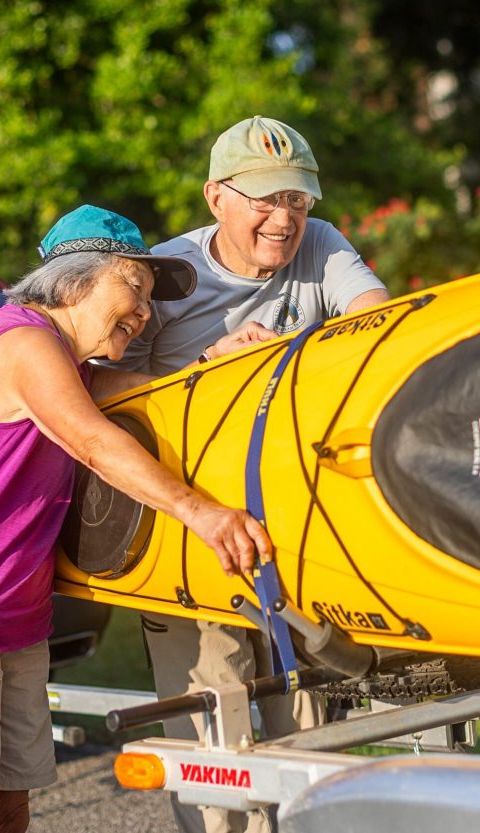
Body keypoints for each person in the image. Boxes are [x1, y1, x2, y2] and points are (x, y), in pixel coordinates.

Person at [0, 204, 275, 833]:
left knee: (11, 809)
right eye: (134, 289)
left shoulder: (71, 364)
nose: (145, 312)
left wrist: (213, 361)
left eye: (149, 299)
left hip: (9, 611)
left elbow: (150, 390)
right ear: (74, 280)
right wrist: (204, 514)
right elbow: (96, 443)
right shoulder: (23, 343)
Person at [112, 115, 390, 833]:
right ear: (216, 198)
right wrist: (208, 374)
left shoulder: (321, 244)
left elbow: (377, 326)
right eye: (264, 199)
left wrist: (290, 356)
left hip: (295, 526)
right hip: (190, 531)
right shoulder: (165, 275)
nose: (284, 217)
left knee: (303, 727)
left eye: (297, 199)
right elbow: (109, 402)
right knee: (216, 735)